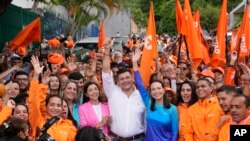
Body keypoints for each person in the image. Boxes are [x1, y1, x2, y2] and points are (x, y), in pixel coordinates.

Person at [102, 39, 145, 140]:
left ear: (132, 78)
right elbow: (106, 73)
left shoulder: (142, 96)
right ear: (117, 81)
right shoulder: (112, 92)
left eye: (127, 77)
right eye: (121, 79)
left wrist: (135, 62)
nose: (125, 81)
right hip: (116, 138)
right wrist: (107, 52)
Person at [132, 48, 178, 141]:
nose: (156, 91)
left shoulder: (173, 109)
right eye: (153, 89)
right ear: (150, 92)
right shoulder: (148, 102)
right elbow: (140, 84)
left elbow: (174, 132)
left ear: (164, 90)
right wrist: (134, 63)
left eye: (158, 88)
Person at [29, 55, 77, 140]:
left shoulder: (69, 126)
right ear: (46, 107)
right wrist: (36, 76)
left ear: (63, 108)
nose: (55, 108)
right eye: (52, 105)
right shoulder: (39, 121)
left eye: (59, 105)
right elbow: (33, 102)